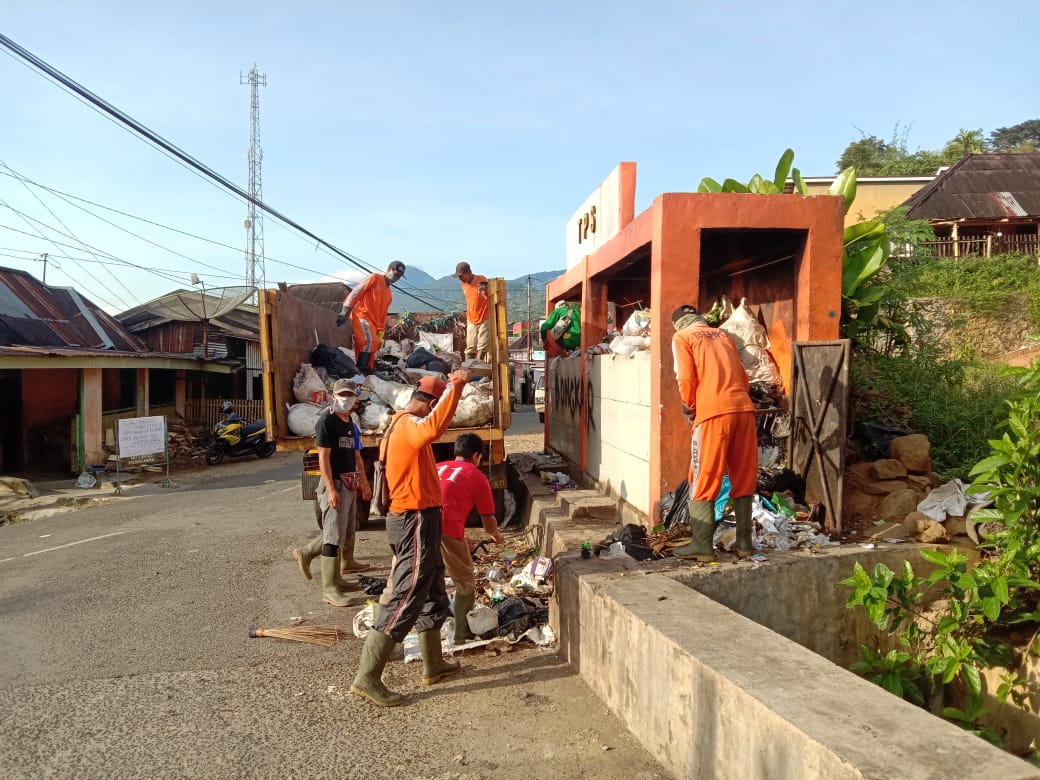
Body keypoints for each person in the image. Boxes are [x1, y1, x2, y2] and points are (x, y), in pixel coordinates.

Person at [350, 369, 471, 707]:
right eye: (436, 404)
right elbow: (435, 426)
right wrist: (458, 386)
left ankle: (433, 665)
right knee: (405, 593)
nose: (435, 411)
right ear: (429, 401)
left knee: (432, 586)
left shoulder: (403, 426)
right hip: (413, 520)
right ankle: (367, 676)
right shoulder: (407, 425)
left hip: (422, 518)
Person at [670, 304, 758, 562]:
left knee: (703, 477)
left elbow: (685, 378)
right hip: (743, 409)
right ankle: (745, 544)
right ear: (700, 319)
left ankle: (702, 546)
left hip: (712, 413)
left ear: (679, 324)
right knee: (743, 475)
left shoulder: (682, 337)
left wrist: (689, 406)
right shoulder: (723, 335)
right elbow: (742, 375)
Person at [292, 379, 372, 606]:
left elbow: (357, 456)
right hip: (334, 484)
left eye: (350, 394)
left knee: (344, 532)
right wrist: (330, 489)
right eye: (342, 394)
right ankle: (328, 589)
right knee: (332, 535)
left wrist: (364, 484)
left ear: (356, 398)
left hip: (348, 484)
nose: (346, 398)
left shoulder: (350, 423)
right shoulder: (326, 421)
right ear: (333, 396)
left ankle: (336, 578)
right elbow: (323, 457)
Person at [437, 432, 504, 644]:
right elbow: (488, 520)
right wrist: (496, 535)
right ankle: (462, 633)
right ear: (476, 455)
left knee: (426, 578)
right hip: (447, 527)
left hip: (416, 525)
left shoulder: (437, 467)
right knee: (465, 582)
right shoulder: (476, 476)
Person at [336, 261, 406, 373]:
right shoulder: (375, 278)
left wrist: (381, 332)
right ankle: (361, 371)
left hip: (373, 323)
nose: (397, 278)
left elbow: (383, 314)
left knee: (370, 346)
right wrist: (345, 310)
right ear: (389, 269)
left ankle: (365, 372)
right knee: (370, 341)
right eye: (396, 274)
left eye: (399, 276)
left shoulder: (389, 294)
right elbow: (357, 291)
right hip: (362, 315)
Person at [452, 261, 490, 361]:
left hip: (484, 316)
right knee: (470, 344)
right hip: (471, 317)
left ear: (468, 273)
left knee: (483, 343)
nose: (460, 278)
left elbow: (490, 294)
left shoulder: (481, 279)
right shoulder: (463, 284)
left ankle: (478, 364)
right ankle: (469, 365)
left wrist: (486, 293)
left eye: (461, 276)